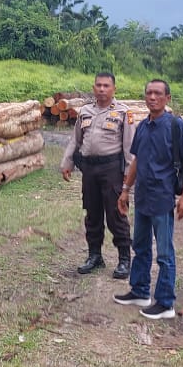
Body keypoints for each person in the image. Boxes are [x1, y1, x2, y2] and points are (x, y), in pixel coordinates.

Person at [114, 79, 183, 320]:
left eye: (158, 93)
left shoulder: (175, 125)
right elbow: (137, 160)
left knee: (164, 253)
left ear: (167, 98)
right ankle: (140, 291)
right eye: (149, 93)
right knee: (139, 246)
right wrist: (126, 189)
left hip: (163, 197)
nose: (152, 97)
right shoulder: (143, 126)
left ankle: (165, 303)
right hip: (143, 196)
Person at [60, 72, 136, 278]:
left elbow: (130, 147)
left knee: (116, 214)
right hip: (89, 170)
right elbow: (76, 140)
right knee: (92, 213)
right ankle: (94, 256)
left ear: (114, 89)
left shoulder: (123, 112)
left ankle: (124, 259)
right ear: (93, 88)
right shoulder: (85, 111)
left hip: (112, 169)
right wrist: (67, 162)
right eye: (98, 85)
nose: (102, 89)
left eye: (106, 86)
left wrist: (128, 177)